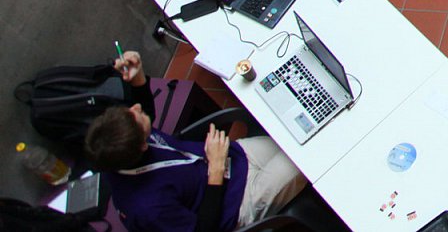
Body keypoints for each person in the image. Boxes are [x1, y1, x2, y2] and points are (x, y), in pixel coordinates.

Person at [83, 51, 308, 232]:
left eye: (131, 110)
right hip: (239, 201)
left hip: (235, 158)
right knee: (309, 158)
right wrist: (216, 170)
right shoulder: (149, 208)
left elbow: (146, 120)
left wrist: (139, 81)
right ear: (142, 145)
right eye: (138, 116)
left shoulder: (121, 147)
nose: (137, 108)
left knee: (297, 135)